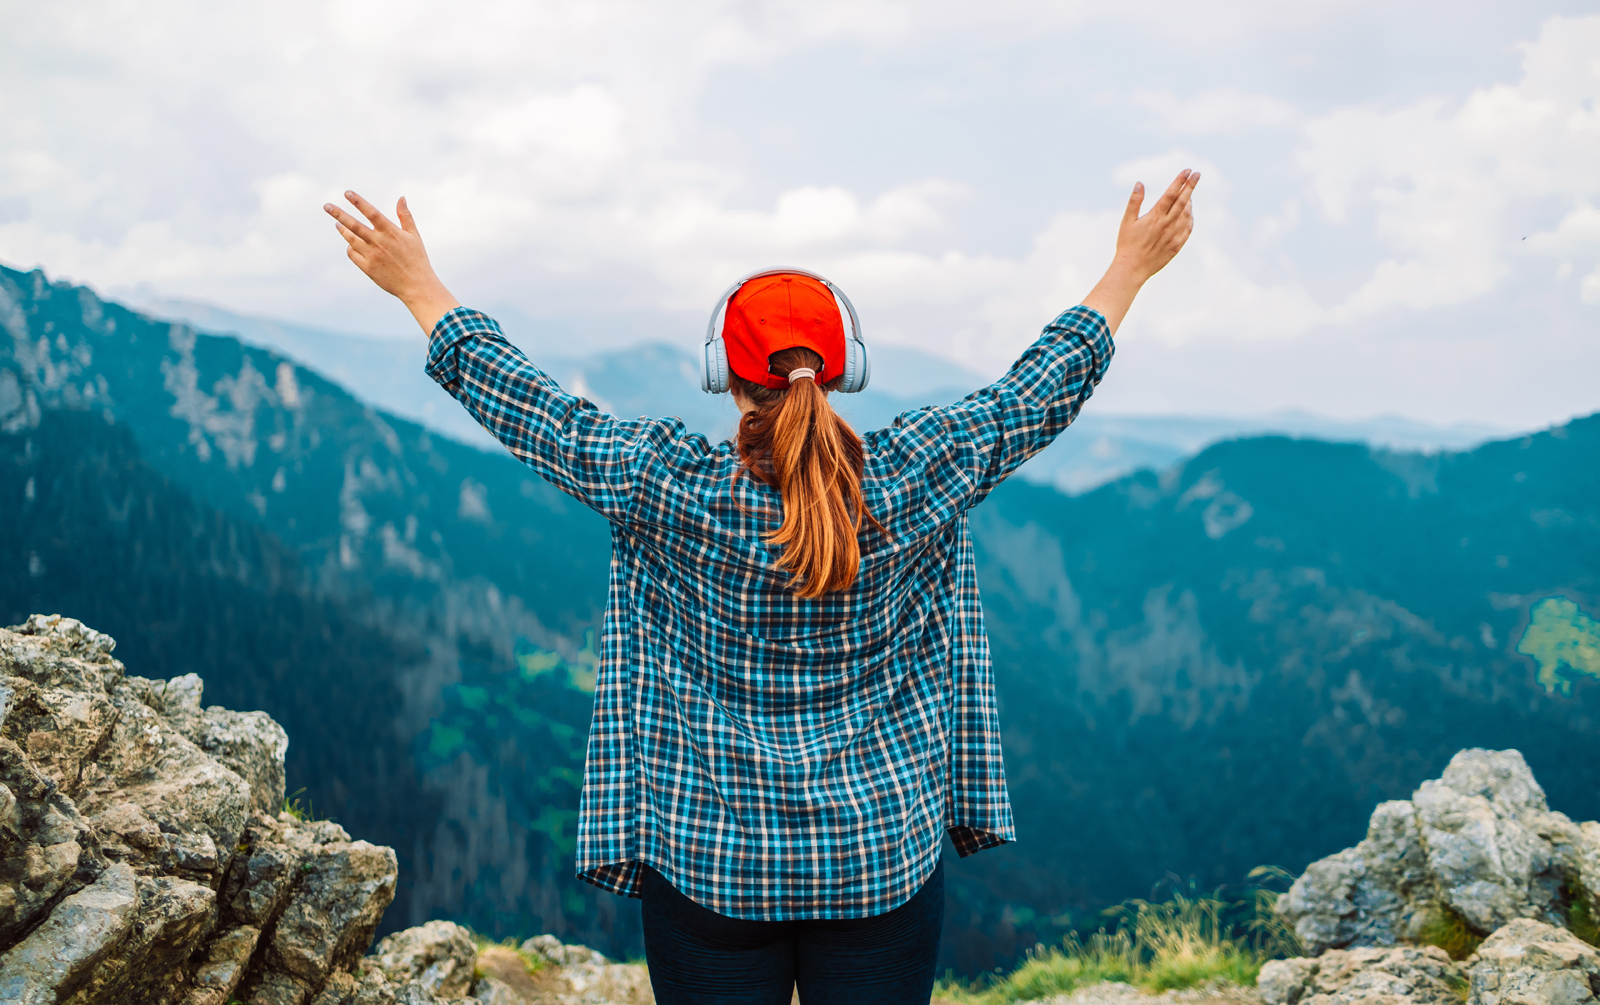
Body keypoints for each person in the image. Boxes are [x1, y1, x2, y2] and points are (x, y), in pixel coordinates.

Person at [325, 169, 1199, 1005]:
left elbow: (539, 411)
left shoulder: (667, 484)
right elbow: (1033, 393)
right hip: (877, 862)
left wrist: (421, 290)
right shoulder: (919, 473)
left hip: (710, 866)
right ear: (845, 368)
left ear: (725, 375)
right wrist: (1128, 271)